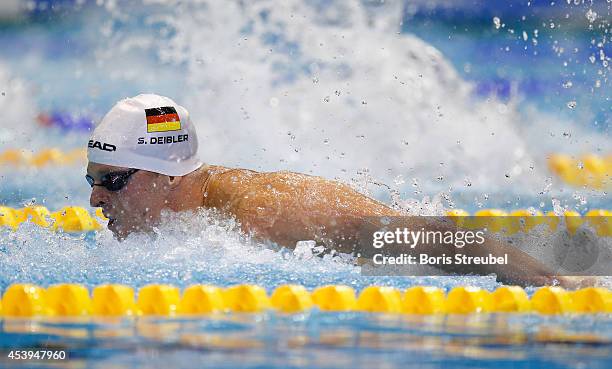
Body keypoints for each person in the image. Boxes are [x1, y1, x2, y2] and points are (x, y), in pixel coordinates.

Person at [87, 94, 587, 287]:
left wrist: (559, 287)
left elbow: (429, 237)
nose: (95, 200)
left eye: (112, 182)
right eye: (92, 182)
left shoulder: (264, 211)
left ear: (166, 175)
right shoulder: (191, 224)